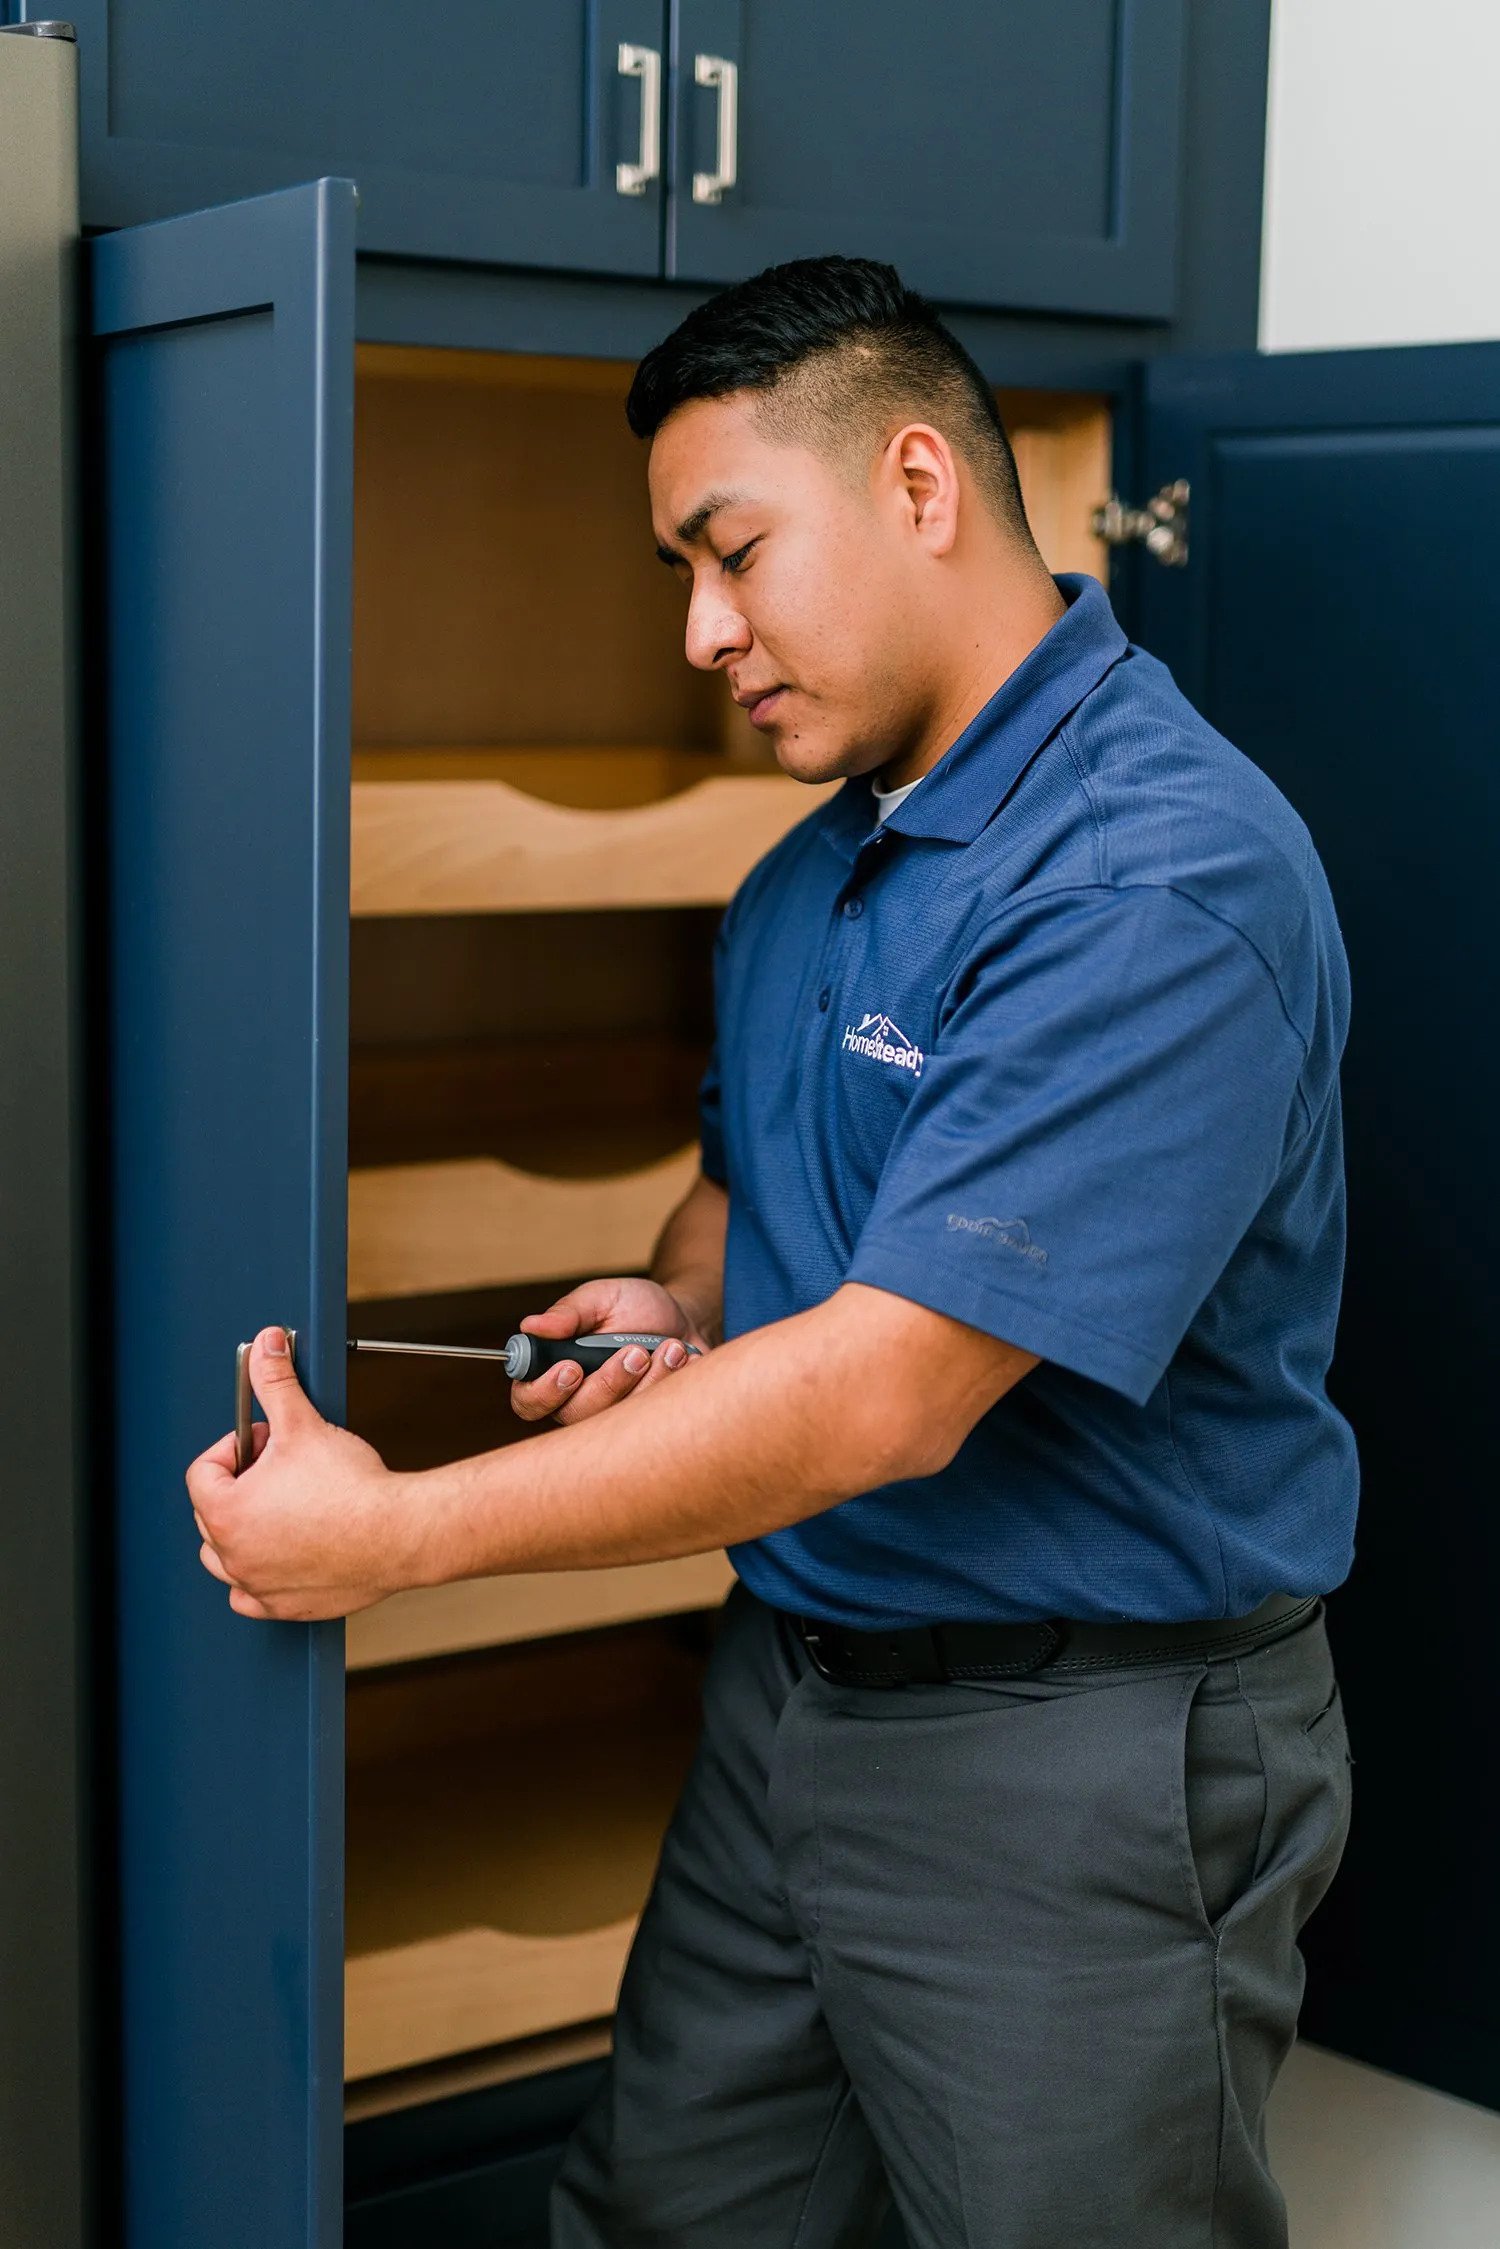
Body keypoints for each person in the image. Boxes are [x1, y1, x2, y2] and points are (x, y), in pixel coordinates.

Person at [188, 257, 1358, 2248]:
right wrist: (679, 1301)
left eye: (733, 552)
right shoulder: (810, 871)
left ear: (919, 481)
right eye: (680, 574)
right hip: (793, 1698)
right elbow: (746, 1204)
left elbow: (889, 1392)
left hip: (1077, 1749)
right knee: (664, 2218)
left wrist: (397, 1538)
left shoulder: (1152, 882)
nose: (705, 632)